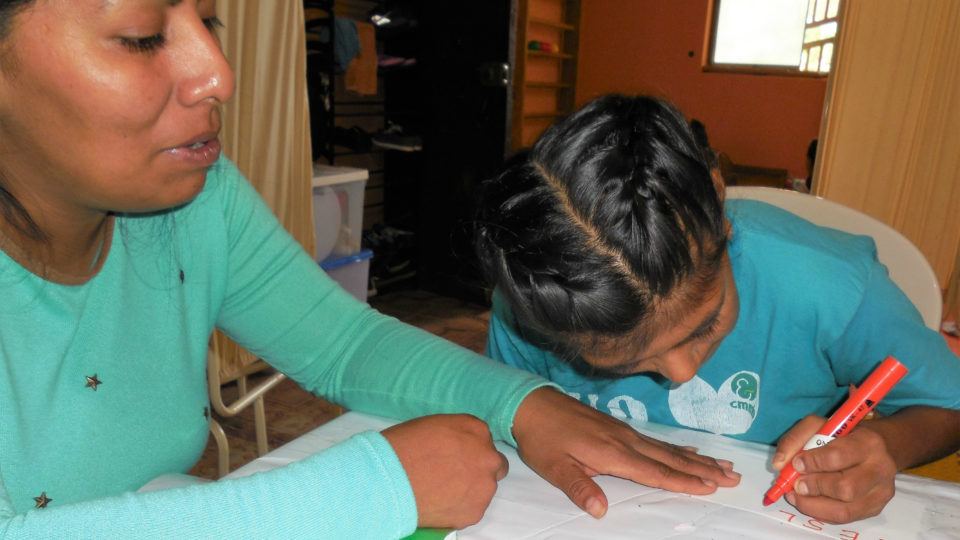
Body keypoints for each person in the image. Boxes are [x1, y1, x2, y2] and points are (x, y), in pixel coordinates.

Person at [0, 3, 743, 537]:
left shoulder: (194, 203)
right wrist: (367, 490)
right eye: (140, 36)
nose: (216, 75)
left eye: (209, 23)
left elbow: (342, 344)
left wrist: (523, 404)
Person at [474, 94, 960, 524]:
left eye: (704, 323)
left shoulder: (829, 288)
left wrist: (888, 446)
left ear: (720, 208)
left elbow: (950, 407)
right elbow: (499, 401)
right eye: (622, 363)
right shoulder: (535, 302)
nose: (683, 374)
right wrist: (517, 412)